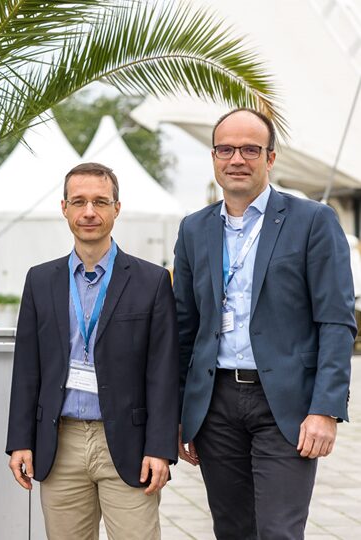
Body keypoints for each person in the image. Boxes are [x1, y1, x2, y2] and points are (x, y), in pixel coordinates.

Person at [174, 108, 356, 539]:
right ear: (214, 157)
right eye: (226, 149)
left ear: (270, 158)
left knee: (278, 532)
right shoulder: (194, 230)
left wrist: (325, 409)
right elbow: (184, 326)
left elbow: (335, 321)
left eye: (250, 149)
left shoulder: (313, 221)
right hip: (215, 405)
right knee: (233, 530)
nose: (237, 159)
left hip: (286, 406)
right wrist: (182, 411)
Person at [5, 163, 178, 539]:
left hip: (127, 446)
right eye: (79, 201)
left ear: (117, 208)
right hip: (59, 442)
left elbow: (163, 372)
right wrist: (20, 441)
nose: (89, 212)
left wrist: (161, 448)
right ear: (64, 207)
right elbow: (27, 368)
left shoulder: (150, 281)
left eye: (100, 202)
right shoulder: (40, 279)